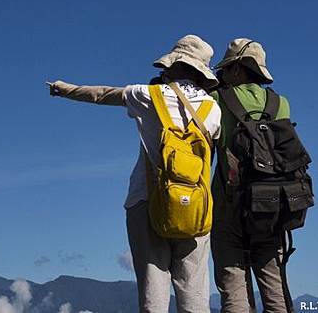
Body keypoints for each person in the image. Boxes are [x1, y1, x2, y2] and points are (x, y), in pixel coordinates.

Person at [47, 35, 222, 313]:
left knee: (154, 290)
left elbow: (102, 94)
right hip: (197, 209)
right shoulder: (213, 109)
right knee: (195, 294)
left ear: (175, 65)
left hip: (146, 202)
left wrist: (64, 89)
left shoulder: (148, 96)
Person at [210, 38, 295, 313]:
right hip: (272, 208)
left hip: (229, 207)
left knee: (233, 286)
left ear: (236, 69)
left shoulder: (216, 101)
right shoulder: (281, 104)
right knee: (274, 288)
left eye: (224, 70)